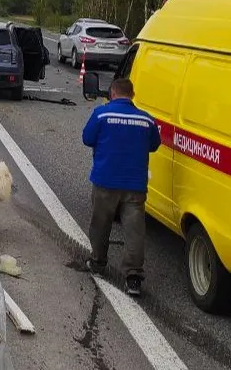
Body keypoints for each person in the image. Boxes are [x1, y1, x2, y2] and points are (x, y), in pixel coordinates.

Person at [81, 77, 161, 297]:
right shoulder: (146, 120)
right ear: (132, 95)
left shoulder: (101, 114)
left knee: (101, 224)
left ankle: (98, 262)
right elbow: (154, 144)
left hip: (105, 180)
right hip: (135, 185)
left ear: (112, 93)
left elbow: (87, 138)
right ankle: (133, 278)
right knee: (134, 231)